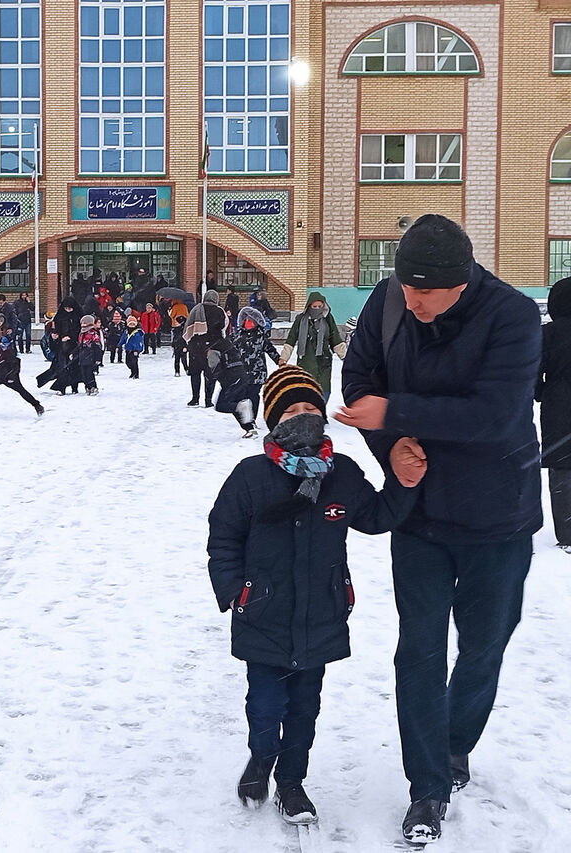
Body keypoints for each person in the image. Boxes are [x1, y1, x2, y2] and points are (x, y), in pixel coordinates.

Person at [337, 214, 542, 844]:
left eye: (427, 291)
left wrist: (398, 412)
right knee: (419, 653)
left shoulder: (512, 316)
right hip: (419, 516)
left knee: (483, 648)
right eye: (406, 287)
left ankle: (456, 744)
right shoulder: (390, 301)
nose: (414, 300)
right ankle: (426, 787)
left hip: (496, 516)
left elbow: (497, 414)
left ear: (463, 282)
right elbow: (360, 384)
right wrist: (393, 445)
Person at [208, 366, 421, 826]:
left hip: (322, 613)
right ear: (273, 420)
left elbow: (376, 515)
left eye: (311, 408)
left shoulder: (340, 473)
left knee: (305, 710)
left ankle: (291, 782)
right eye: (291, 410)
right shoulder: (251, 476)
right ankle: (261, 757)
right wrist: (236, 592)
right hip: (263, 612)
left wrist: (403, 482)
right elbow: (223, 538)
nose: (303, 417)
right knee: (265, 707)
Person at [538, 276, 571, 551]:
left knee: (562, 468)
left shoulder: (547, 333)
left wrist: (541, 392)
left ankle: (567, 532)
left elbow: (534, 371)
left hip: (558, 405)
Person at [280, 292, 345, 403]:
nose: (317, 309)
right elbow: (291, 339)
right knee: (305, 390)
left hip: (323, 362)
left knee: (323, 390)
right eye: (314, 307)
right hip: (305, 361)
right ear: (309, 306)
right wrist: (283, 358)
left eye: (319, 307)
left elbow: (335, 339)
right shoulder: (301, 319)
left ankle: (319, 413)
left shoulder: (327, 319)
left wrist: (345, 357)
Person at [229, 306, 280, 436]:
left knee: (253, 395)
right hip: (241, 372)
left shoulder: (260, 336)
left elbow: (270, 349)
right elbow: (230, 351)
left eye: (251, 321)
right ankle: (246, 417)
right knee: (243, 396)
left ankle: (252, 418)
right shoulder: (237, 335)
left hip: (257, 371)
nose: (248, 324)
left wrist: (279, 361)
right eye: (245, 321)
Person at [0, 320, 43, 416]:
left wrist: (12, 375)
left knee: (21, 390)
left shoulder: (6, 347)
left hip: (8, 372)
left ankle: (37, 405)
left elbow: (16, 362)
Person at [184, 290, 227, 407]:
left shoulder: (196, 309)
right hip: (212, 347)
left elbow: (188, 326)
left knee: (195, 373)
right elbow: (223, 327)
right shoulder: (219, 311)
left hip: (196, 347)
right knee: (210, 374)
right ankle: (208, 400)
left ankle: (195, 399)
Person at [77, 315, 103, 395]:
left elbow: (98, 347)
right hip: (82, 356)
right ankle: (87, 386)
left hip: (90, 356)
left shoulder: (93, 334)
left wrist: (98, 358)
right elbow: (79, 345)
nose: (83, 325)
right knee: (83, 374)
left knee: (89, 373)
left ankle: (93, 387)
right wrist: (73, 353)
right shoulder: (81, 334)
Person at [120, 314, 144, 379]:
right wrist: (119, 345)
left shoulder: (137, 332)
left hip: (135, 350)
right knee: (128, 362)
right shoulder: (126, 331)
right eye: (130, 324)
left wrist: (137, 350)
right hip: (128, 349)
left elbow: (139, 342)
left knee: (134, 362)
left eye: (133, 324)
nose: (132, 326)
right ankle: (132, 371)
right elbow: (123, 339)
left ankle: (135, 374)